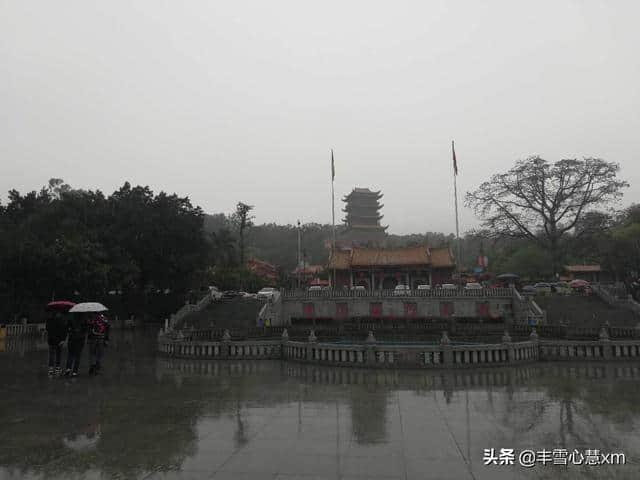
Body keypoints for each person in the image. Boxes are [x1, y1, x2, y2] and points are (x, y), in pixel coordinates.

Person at [65, 313, 88, 377]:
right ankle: (75, 372)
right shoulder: (84, 321)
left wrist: (71, 331)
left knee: (70, 355)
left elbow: (67, 329)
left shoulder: (70, 320)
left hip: (72, 339)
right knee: (78, 356)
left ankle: (68, 369)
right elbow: (86, 330)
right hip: (80, 340)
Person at [45, 311, 67, 376]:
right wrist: (63, 339)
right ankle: (57, 368)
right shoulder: (61, 320)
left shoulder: (49, 320)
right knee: (58, 354)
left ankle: (51, 369)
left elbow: (47, 329)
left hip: (51, 340)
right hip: (59, 341)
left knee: (51, 354)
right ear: (58, 313)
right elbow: (64, 330)